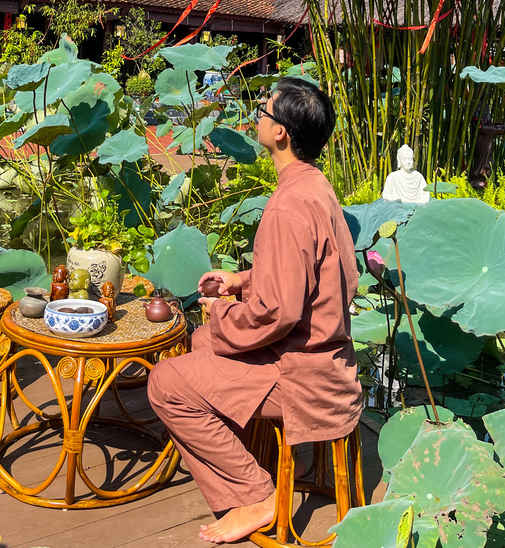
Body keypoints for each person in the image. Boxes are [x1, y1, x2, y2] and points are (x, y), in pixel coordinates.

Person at [147, 77, 362, 544]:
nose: (256, 118)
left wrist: (220, 314)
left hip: (303, 373)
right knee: (200, 346)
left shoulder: (288, 205)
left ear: (281, 132)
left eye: (264, 111)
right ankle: (265, 456)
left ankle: (257, 494)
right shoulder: (316, 186)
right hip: (328, 355)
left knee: (165, 383)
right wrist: (240, 280)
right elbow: (315, 273)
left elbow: (276, 314)